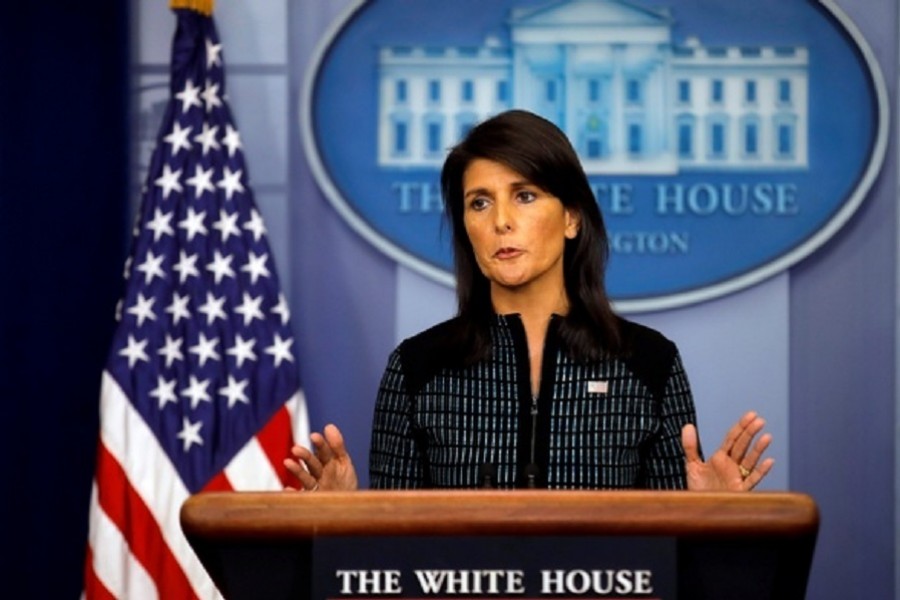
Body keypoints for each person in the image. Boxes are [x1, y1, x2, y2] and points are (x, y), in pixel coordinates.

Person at [285, 109, 773, 492]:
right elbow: (391, 561)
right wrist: (342, 517)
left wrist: (713, 516)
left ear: (571, 219)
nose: (500, 221)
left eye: (524, 196)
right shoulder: (416, 368)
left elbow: (671, 568)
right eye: (479, 202)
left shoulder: (648, 362)